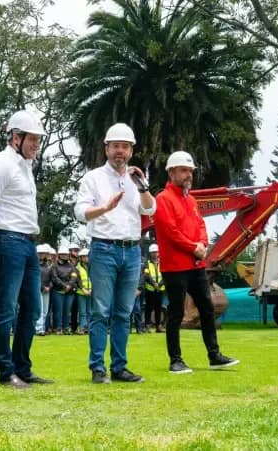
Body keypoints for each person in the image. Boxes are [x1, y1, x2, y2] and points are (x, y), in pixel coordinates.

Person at [0, 109, 51, 389]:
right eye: (33, 140)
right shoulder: (1, 164)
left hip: (28, 241)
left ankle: (23, 367)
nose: (36, 146)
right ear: (16, 137)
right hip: (6, 238)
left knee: (31, 307)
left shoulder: (24, 167)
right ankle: (5, 371)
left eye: (38, 141)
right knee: (5, 306)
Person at [72, 123, 156, 383]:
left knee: (123, 311)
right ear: (106, 148)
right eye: (115, 146)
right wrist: (105, 208)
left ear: (131, 151)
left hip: (131, 250)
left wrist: (142, 186)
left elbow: (149, 210)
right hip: (104, 247)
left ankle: (119, 367)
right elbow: (80, 211)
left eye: (125, 146)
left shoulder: (136, 178)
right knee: (100, 310)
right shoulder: (93, 177)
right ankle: (98, 367)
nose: (120, 151)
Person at [151, 150, 239, 374]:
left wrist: (202, 244)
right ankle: (176, 360)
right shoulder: (162, 199)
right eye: (183, 170)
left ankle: (214, 355)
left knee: (207, 309)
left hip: (196, 264)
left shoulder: (190, 200)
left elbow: (200, 225)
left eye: (190, 171)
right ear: (171, 173)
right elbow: (170, 231)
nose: (188, 174)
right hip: (175, 266)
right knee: (176, 312)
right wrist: (194, 247)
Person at [51, 246, 77, 335]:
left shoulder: (72, 266)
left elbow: (74, 277)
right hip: (58, 291)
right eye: (63, 254)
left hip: (69, 292)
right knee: (58, 311)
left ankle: (66, 328)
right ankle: (58, 328)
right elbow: (54, 278)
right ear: (59, 255)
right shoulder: (55, 266)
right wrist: (64, 285)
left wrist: (69, 285)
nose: (64, 256)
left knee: (67, 311)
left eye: (66, 254)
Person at [143, 245, 165, 333]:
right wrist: (154, 284)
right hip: (150, 289)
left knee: (158, 308)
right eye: (153, 252)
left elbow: (165, 274)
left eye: (156, 252)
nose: (155, 254)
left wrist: (159, 285)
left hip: (160, 289)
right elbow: (146, 275)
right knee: (148, 308)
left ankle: (158, 327)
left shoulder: (162, 262)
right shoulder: (147, 263)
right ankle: (147, 326)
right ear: (150, 253)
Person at [75, 250, 92, 335]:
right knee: (82, 312)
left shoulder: (92, 267)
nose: (86, 258)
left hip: (91, 292)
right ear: (80, 258)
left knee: (90, 311)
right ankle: (82, 327)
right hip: (81, 292)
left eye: (87, 256)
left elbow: (95, 279)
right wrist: (83, 289)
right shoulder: (77, 267)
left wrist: (92, 290)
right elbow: (77, 280)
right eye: (84, 256)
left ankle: (88, 328)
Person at [37, 245, 53, 335]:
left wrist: (49, 287)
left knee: (45, 311)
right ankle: (39, 329)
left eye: (43, 253)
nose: (42, 255)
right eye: (40, 253)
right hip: (38, 289)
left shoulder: (48, 265)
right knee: (40, 309)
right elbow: (35, 278)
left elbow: (52, 278)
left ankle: (42, 327)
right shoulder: (34, 264)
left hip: (47, 290)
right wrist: (43, 287)